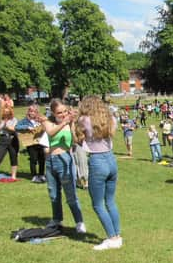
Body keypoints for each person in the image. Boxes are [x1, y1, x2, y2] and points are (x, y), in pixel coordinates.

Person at [76, 95, 122, 250]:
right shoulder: (110, 119)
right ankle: (117, 236)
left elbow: (76, 137)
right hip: (111, 159)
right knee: (110, 201)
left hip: (97, 161)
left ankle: (112, 238)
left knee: (97, 204)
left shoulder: (83, 120)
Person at [41, 99, 86, 234]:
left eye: (64, 111)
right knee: (53, 194)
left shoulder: (69, 123)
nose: (63, 114)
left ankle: (79, 222)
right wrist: (64, 122)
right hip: (50, 161)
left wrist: (72, 123)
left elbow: (75, 140)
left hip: (65, 160)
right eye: (59, 112)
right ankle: (56, 219)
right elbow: (50, 133)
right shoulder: (48, 122)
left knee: (70, 194)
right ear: (53, 113)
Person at [15, 104, 46, 183]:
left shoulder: (40, 119)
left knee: (42, 159)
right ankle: (34, 175)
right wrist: (26, 127)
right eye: (30, 111)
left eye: (34, 111)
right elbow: (17, 127)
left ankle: (41, 174)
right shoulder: (24, 121)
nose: (32, 113)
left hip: (40, 141)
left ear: (37, 112)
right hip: (30, 142)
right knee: (33, 159)